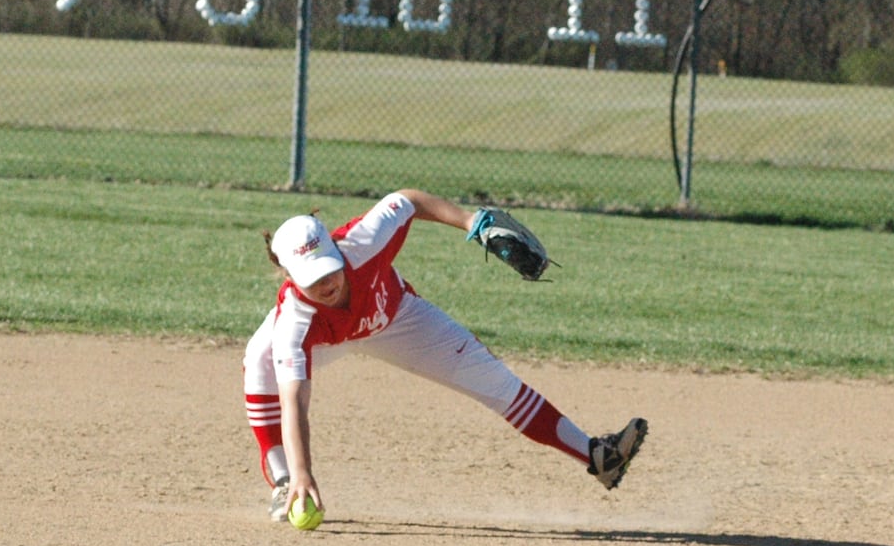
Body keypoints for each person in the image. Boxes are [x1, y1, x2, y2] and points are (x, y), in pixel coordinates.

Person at [242, 190, 648, 523]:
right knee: (259, 358)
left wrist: (472, 221)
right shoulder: (295, 320)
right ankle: (284, 484)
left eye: (330, 269)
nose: (327, 283)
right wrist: (302, 471)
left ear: (336, 247)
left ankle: (599, 456)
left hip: (395, 317)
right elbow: (295, 401)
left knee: (493, 380)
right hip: (326, 337)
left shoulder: (364, 242)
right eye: (313, 279)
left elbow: (409, 200)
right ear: (289, 276)